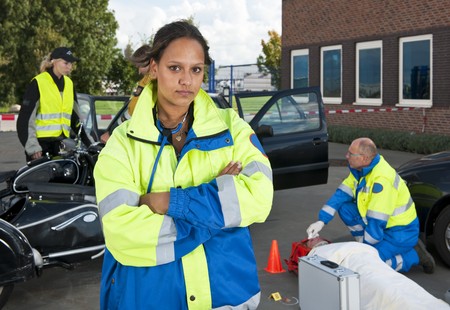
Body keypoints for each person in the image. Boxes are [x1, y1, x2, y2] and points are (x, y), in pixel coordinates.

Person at [94, 20, 273, 309]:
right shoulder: (121, 144)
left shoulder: (232, 129)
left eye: (196, 69)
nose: (186, 80)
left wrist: (172, 202)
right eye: (175, 68)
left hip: (227, 295)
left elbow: (260, 198)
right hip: (152, 298)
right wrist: (215, 214)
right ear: (154, 68)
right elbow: (121, 231)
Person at [306, 137, 436, 274]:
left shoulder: (382, 180)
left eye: (350, 154)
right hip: (384, 227)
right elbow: (341, 194)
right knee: (345, 208)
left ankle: (413, 255)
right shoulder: (360, 170)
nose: (346, 156)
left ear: (364, 158)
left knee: (369, 264)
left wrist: (364, 251)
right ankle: (365, 243)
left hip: (400, 233)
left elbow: (376, 222)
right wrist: (321, 220)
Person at [17, 47, 91, 161]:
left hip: (62, 147)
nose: (69, 67)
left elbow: (76, 120)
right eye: (66, 63)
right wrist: (33, 148)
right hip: (40, 148)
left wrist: (90, 144)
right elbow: (24, 120)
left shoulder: (69, 84)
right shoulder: (38, 82)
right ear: (54, 61)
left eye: (71, 63)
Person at [99, 44, 152, 143]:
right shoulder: (149, 80)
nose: (139, 71)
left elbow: (132, 111)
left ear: (147, 61)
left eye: (139, 66)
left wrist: (112, 133)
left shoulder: (148, 82)